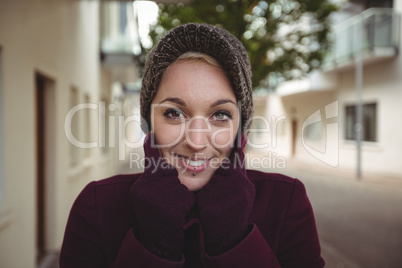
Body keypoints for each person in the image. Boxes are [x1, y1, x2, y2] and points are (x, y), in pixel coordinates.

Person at [60, 23, 325, 268]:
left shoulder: (286, 201)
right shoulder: (96, 206)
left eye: (220, 115)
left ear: (240, 127)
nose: (197, 142)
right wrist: (155, 245)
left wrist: (234, 239)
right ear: (149, 122)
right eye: (174, 113)